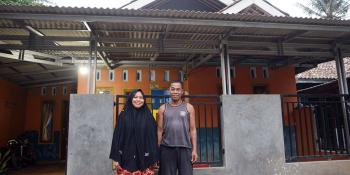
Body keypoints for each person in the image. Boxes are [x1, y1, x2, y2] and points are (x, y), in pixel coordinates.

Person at [110, 89, 158, 175]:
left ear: (144, 100)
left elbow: (153, 138)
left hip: (145, 159)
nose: (138, 100)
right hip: (126, 158)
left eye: (141, 97)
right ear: (131, 98)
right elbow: (117, 136)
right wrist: (116, 158)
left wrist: (154, 157)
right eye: (135, 97)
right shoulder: (123, 115)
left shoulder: (148, 116)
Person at [157, 81, 197, 175]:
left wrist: (194, 150)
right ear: (169, 91)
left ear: (182, 91)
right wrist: (158, 149)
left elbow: (193, 129)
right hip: (167, 148)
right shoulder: (162, 108)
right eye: (173, 89)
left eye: (178, 89)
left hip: (185, 148)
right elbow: (159, 130)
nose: (175, 92)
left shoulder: (189, 108)